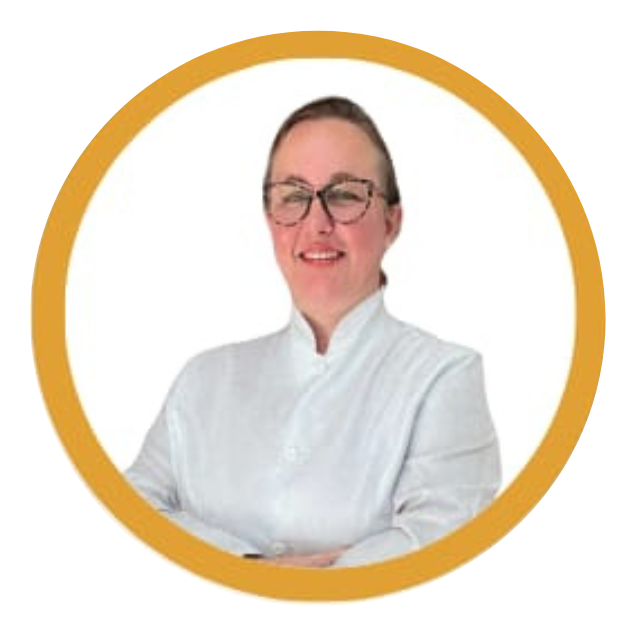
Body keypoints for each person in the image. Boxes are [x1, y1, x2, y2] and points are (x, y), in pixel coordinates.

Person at [125, 96, 501, 568]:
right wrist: (254, 567)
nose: (317, 223)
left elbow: (437, 551)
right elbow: (128, 513)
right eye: (293, 196)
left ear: (391, 221)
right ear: (270, 221)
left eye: (345, 194)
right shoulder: (204, 381)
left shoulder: (443, 377)